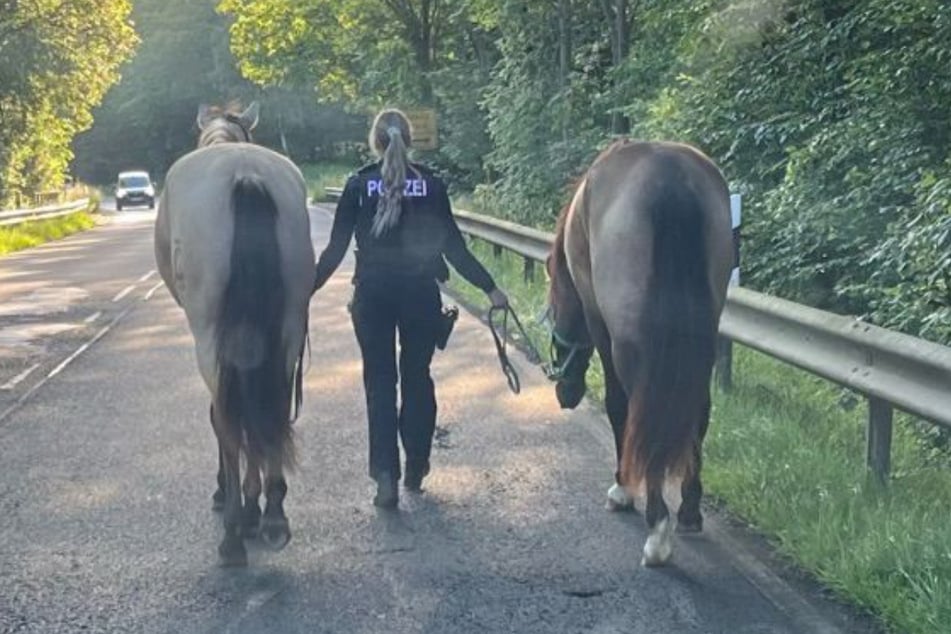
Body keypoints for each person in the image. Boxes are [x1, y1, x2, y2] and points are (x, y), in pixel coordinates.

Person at [312, 108, 509, 509]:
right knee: (417, 377)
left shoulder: (358, 184)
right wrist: (491, 289)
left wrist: (306, 290)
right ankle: (417, 464)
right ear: (409, 139)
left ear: (375, 141)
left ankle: (385, 475)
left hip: (372, 296)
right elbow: (454, 248)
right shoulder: (432, 186)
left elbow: (334, 250)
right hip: (420, 296)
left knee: (379, 383)